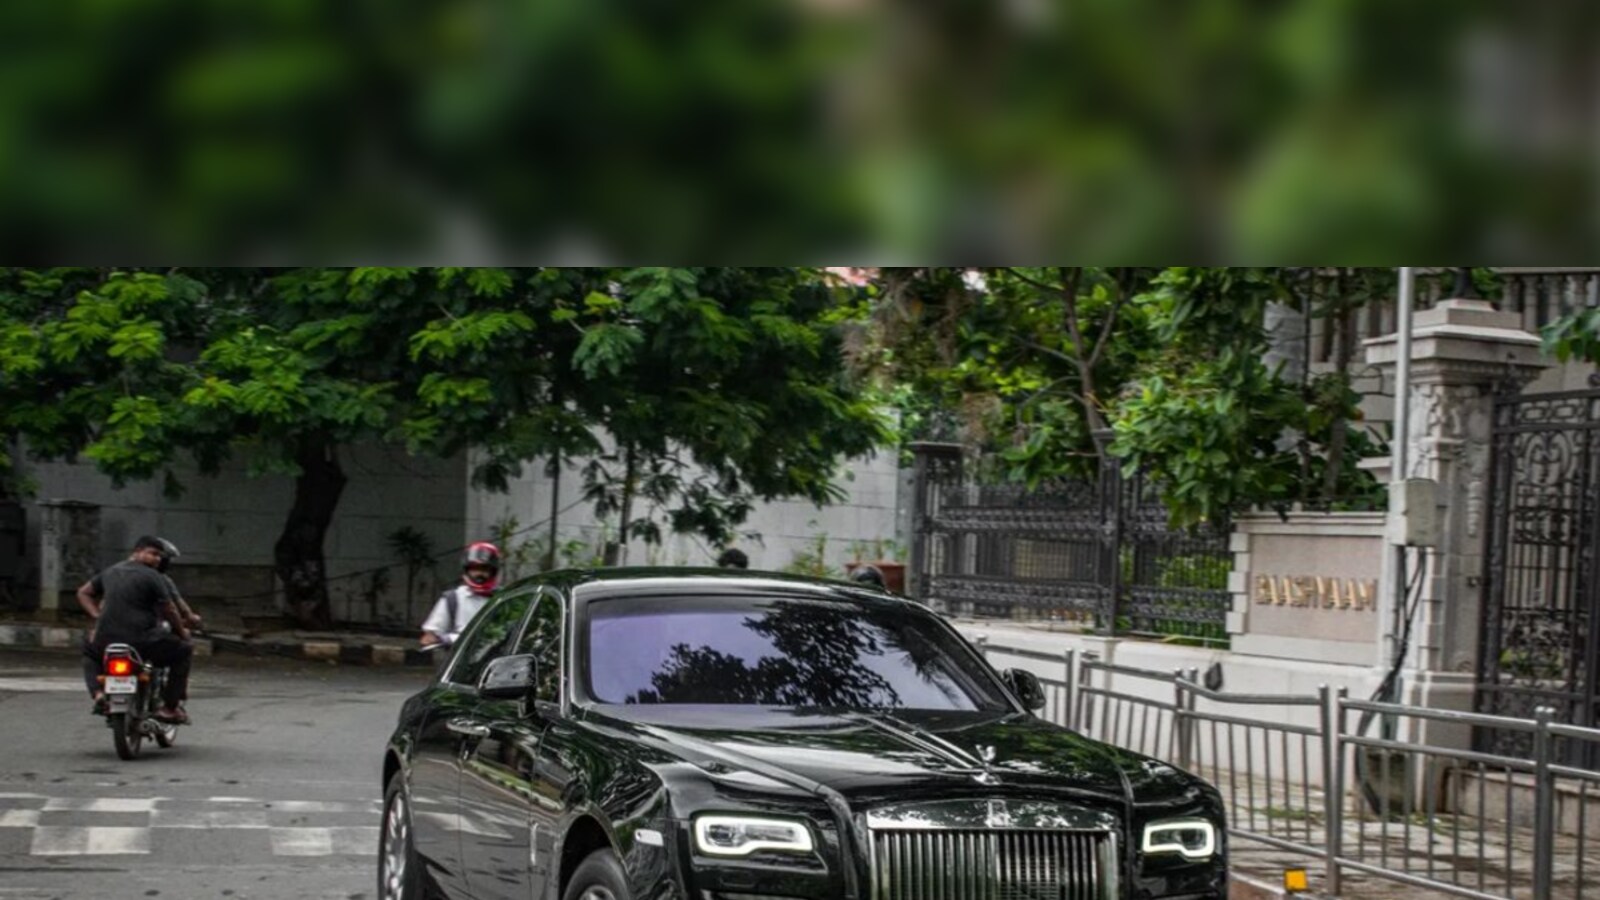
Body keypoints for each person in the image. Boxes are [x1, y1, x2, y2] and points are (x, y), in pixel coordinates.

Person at [78, 535, 193, 723]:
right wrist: (182, 634)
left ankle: (98, 695)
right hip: (141, 641)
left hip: (106, 640)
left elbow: (83, 592)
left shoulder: (110, 571)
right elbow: (170, 609)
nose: (157, 559)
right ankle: (170, 708)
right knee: (184, 651)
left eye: (159, 556)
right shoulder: (153, 576)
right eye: (153, 554)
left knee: (89, 652)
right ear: (137, 552)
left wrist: (96, 616)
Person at [420, 542, 501, 648]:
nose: (479, 574)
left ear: (493, 572)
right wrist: (446, 639)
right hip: (460, 659)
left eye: (484, 569)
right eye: (474, 569)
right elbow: (429, 638)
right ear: (467, 570)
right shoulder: (452, 598)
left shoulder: (502, 599)